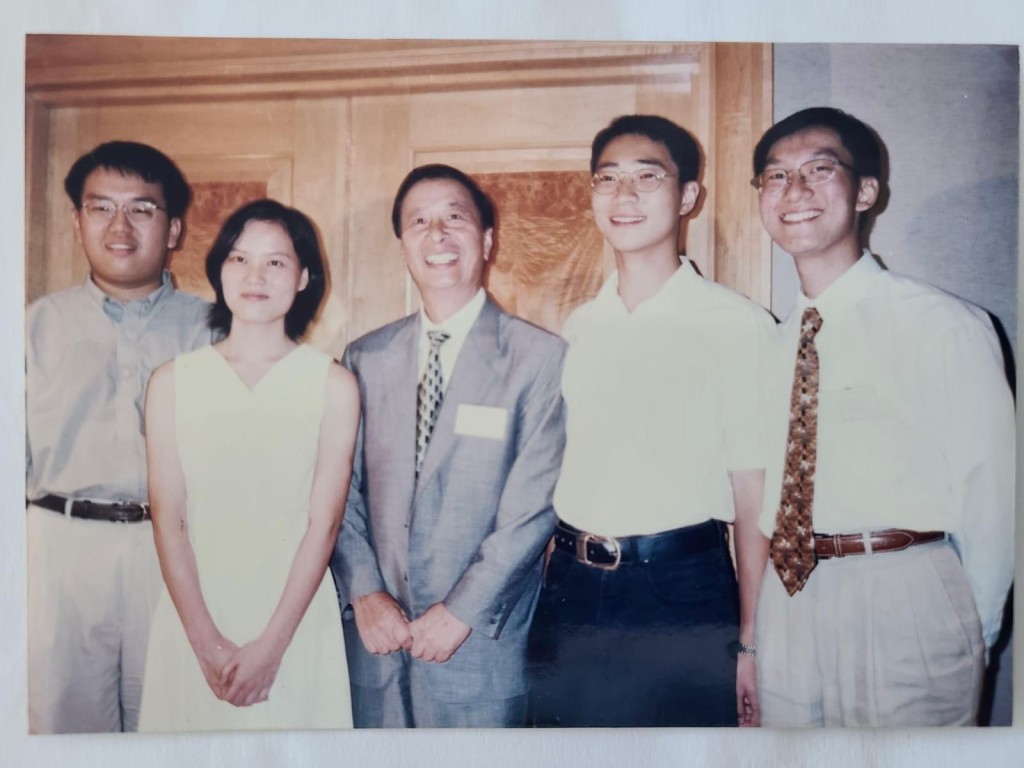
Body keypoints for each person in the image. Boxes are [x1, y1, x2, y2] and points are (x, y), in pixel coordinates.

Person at [751, 106, 1014, 726]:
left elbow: (995, 496)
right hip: (787, 597)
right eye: (776, 175)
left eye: (820, 169)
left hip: (904, 592)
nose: (795, 190)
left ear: (866, 191)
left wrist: (969, 631)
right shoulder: (770, 343)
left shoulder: (940, 324)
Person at [526, 114, 776, 727]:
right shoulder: (577, 327)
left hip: (680, 589)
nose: (625, 195)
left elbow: (754, 497)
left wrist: (751, 642)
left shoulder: (737, 325)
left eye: (647, 177)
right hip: (571, 587)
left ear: (688, 196)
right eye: (607, 178)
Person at [332, 164, 566, 728]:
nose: (437, 234)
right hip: (377, 644)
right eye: (419, 222)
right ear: (403, 246)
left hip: (481, 645)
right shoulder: (364, 358)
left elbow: (533, 510)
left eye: (454, 218)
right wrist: (364, 591)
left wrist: (461, 610)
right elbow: (339, 490)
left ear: (486, 240)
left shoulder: (540, 358)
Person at [137, 199, 358, 731]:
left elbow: (323, 524)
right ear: (220, 270)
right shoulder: (171, 381)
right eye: (239, 259)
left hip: (294, 617)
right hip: (196, 611)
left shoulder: (332, 384)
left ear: (303, 277)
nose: (255, 276)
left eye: (275, 262)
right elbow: (170, 519)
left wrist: (272, 647)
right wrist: (205, 642)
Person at [26, 141, 212, 733]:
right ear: (77, 221)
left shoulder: (216, 330)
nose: (120, 227)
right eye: (101, 208)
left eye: (141, 209)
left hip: (180, 553)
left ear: (174, 228)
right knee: (61, 730)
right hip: (59, 553)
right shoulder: (30, 329)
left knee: (175, 726)